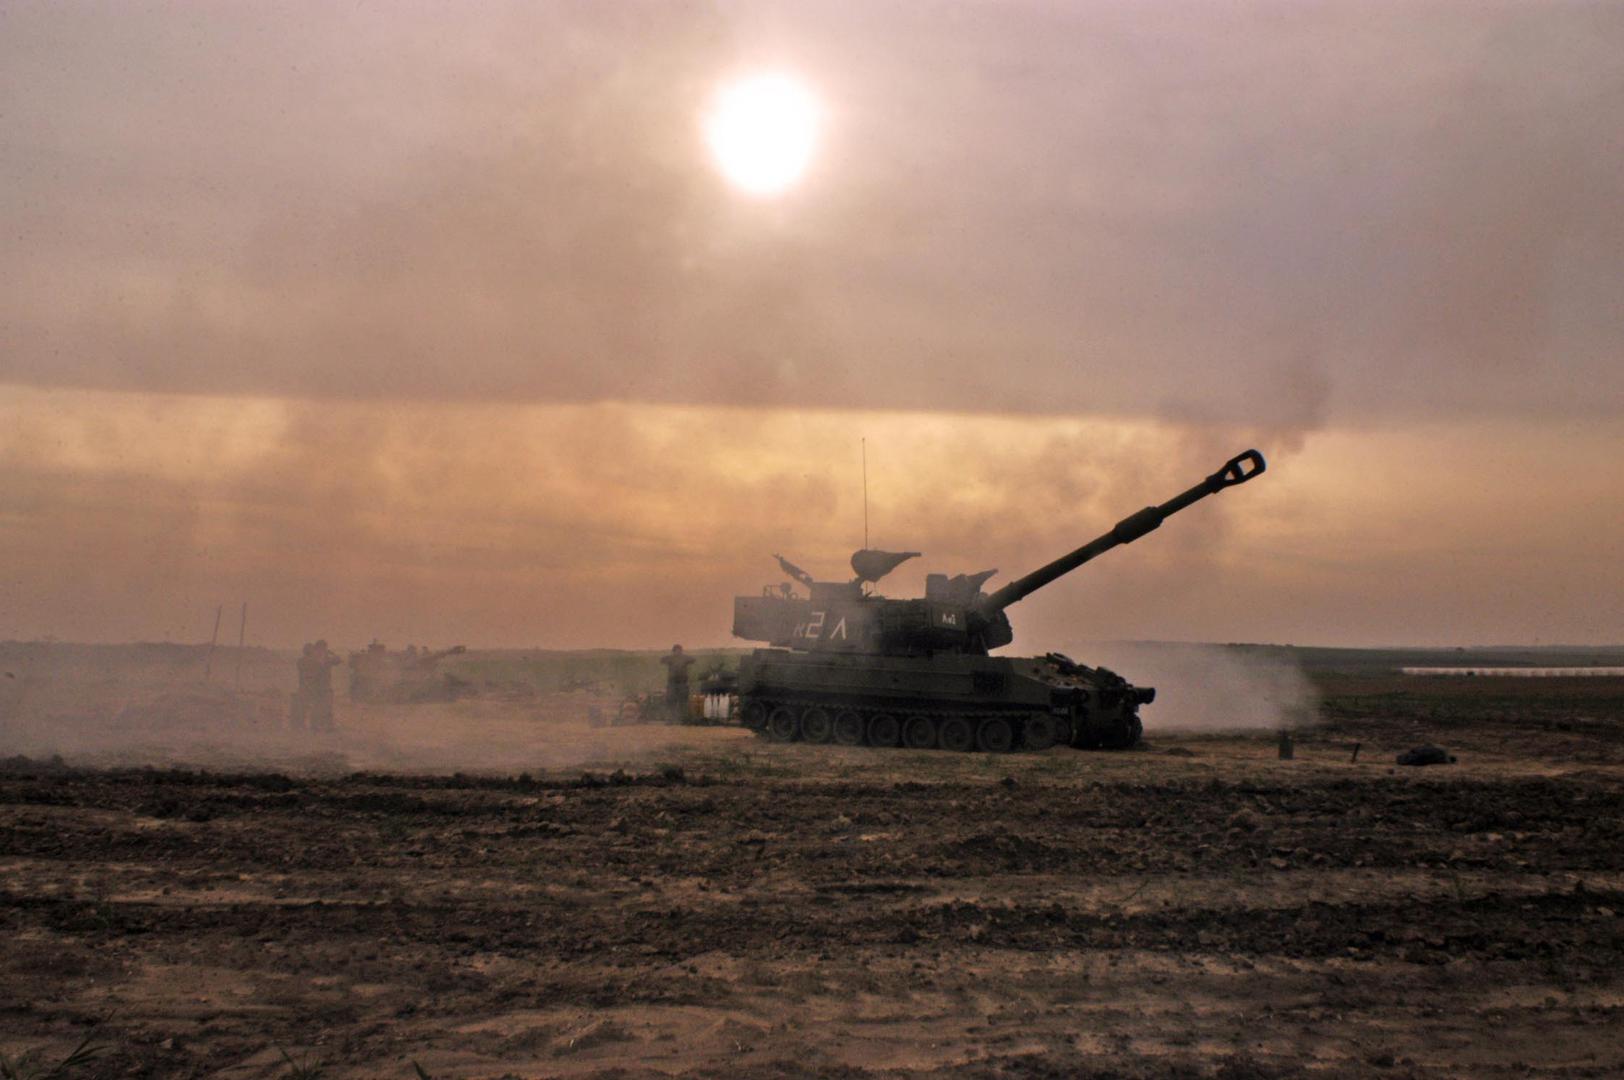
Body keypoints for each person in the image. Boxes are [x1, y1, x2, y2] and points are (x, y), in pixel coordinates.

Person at [659, 644, 696, 723]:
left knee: (683, 701)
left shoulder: (684, 658)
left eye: (679, 650)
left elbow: (693, 659)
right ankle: (670, 719)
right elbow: (661, 660)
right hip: (672, 683)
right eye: (676, 650)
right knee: (671, 701)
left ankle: (683, 719)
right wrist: (669, 658)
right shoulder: (670, 658)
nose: (678, 652)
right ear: (673, 651)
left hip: (682, 683)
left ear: (681, 651)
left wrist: (684, 658)